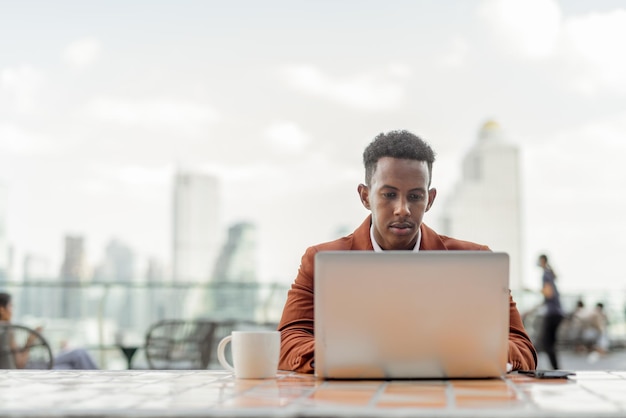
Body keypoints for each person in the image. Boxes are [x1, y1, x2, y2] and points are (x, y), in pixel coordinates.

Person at [278, 130, 537, 373]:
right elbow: (288, 342)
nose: (402, 209)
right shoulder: (321, 261)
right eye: (389, 194)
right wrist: (351, 356)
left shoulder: (478, 262)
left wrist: (471, 351)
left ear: (430, 199)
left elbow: (523, 349)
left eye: (415, 197)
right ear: (365, 196)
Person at [0, 292, 98, 369]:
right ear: (1, 309)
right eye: (10, 306)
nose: (12, 310)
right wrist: (30, 340)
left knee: (72, 364)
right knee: (79, 354)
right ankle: (101, 380)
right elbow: (20, 364)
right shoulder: (7, 330)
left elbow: (14, 357)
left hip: (34, 365)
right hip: (32, 368)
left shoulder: (5, 329)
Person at [537, 254, 564, 369]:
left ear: (542, 261)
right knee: (549, 343)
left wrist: (538, 291)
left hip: (552, 313)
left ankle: (556, 369)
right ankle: (556, 368)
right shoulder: (550, 273)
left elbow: (549, 294)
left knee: (546, 342)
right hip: (557, 312)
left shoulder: (545, 275)